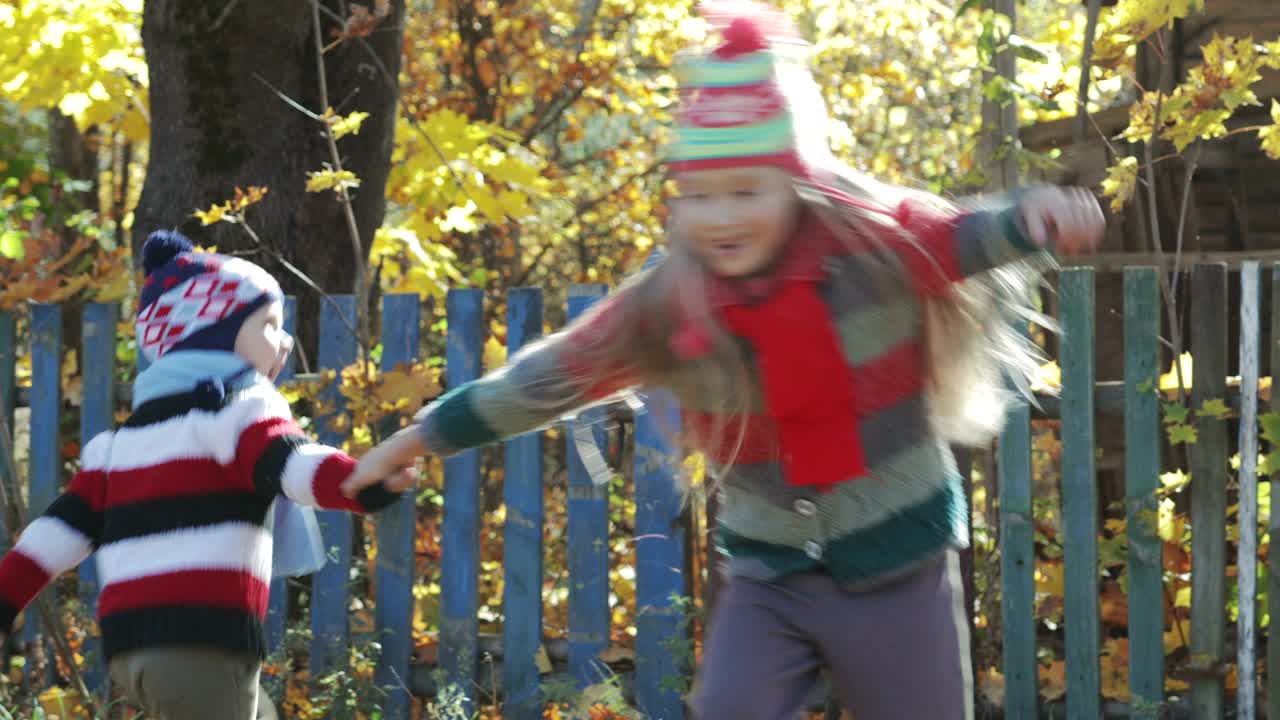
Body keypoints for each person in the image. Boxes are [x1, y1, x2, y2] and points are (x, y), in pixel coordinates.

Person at [343, 3, 1104, 717]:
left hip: (899, 566)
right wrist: (417, 439)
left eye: (747, 191)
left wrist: (1032, 220)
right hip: (768, 576)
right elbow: (544, 380)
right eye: (701, 197)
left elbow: (959, 236)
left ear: (798, 186)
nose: (724, 217)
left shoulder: (871, 248)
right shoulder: (669, 305)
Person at [0, 231, 412, 720]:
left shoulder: (117, 447)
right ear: (214, 331)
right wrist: (362, 480)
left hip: (131, 648)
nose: (285, 340)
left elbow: (51, 538)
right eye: (270, 324)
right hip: (203, 640)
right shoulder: (236, 415)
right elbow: (293, 464)